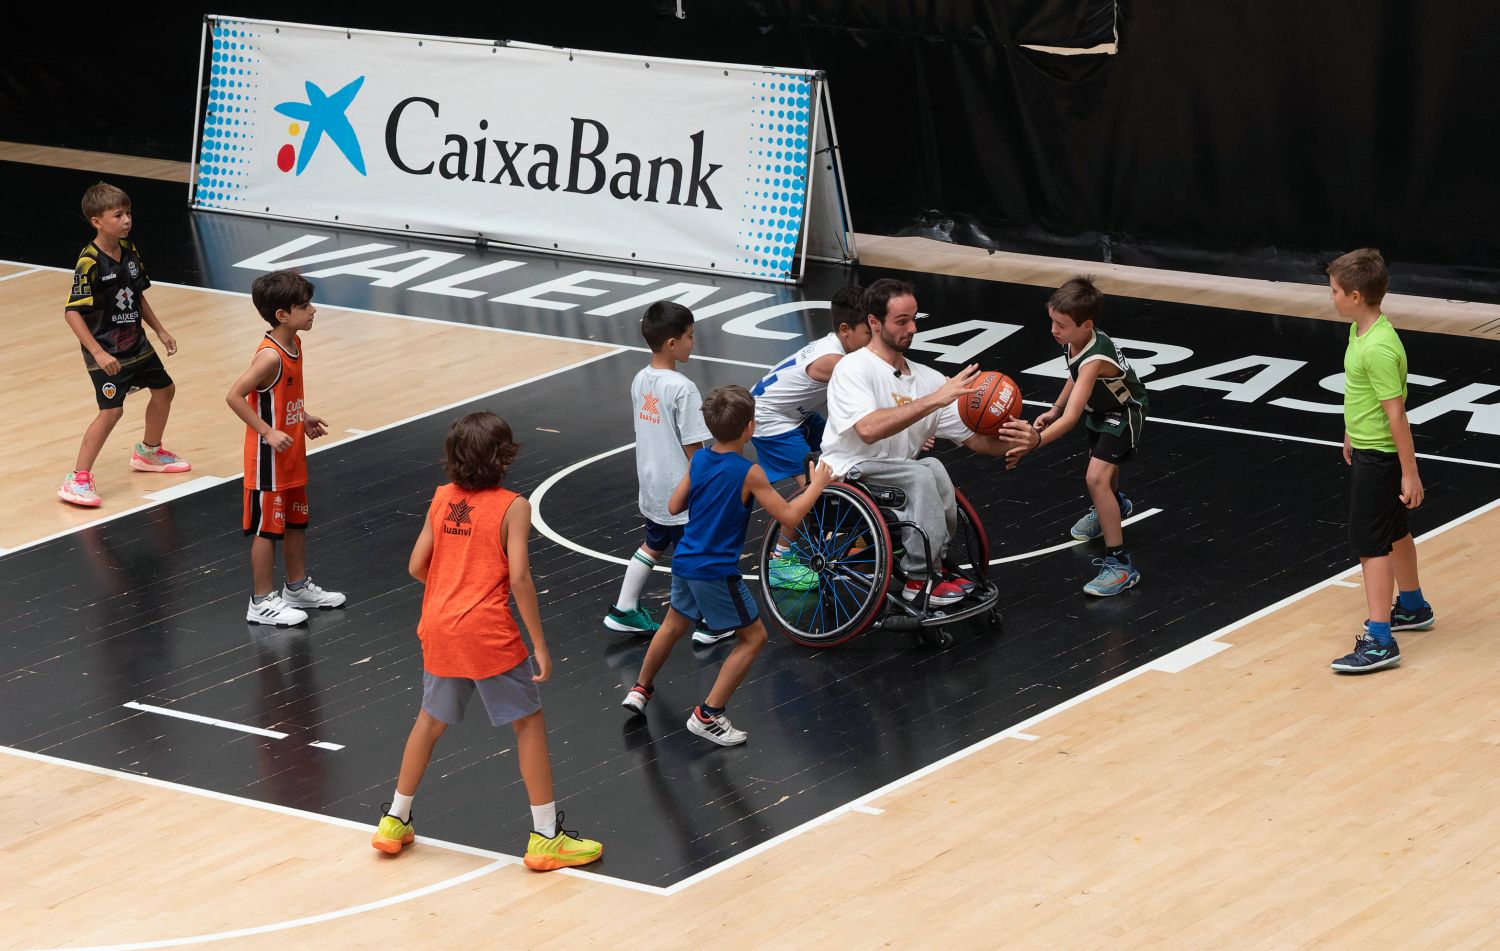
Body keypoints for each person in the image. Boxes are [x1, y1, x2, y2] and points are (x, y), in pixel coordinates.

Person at [371, 412, 602, 869]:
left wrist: (451, 589)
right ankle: (545, 838)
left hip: (438, 626)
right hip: (486, 633)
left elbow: (418, 566)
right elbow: (518, 578)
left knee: (429, 722)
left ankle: (395, 821)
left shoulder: (441, 499)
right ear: (504, 457)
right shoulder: (514, 506)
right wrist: (539, 643)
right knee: (528, 723)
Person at [621, 385, 834, 746]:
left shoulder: (700, 460)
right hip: (715, 570)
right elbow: (789, 513)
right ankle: (709, 714)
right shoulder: (749, 472)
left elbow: (674, 506)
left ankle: (640, 690)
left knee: (673, 625)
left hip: (686, 560)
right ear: (750, 427)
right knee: (754, 638)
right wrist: (817, 485)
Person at [819, 278, 1031, 606]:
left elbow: (976, 440)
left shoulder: (927, 379)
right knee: (919, 473)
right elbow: (868, 430)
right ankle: (919, 579)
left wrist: (1025, 441)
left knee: (932, 466)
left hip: (895, 475)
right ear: (874, 322)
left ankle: (936, 562)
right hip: (849, 473)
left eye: (914, 319)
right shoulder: (853, 369)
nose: (913, 328)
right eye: (901, 321)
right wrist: (934, 400)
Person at [1002, 277, 1149, 597]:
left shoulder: (1095, 357)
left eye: (1062, 325)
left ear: (1087, 325)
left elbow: (1072, 418)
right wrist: (1054, 408)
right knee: (1101, 469)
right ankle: (1116, 505)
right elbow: (1075, 376)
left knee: (1096, 477)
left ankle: (1121, 565)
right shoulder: (1074, 341)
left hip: (1125, 412)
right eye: (1052, 321)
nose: (1054, 330)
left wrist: (1036, 441)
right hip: (1101, 409)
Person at [1325, 248, 1433, 673]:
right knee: (1396, 531)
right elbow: (1363, 395)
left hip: (1382, 460)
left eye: (1333, 291)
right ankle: (1412, 605)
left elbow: (1396, 414)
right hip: (1370, 448)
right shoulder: (1361, 331)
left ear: (1354, 296)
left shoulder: (1379, 348)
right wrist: (1352, 428)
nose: (1329, 297)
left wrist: (1410, 473)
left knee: (1371, 547)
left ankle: (1380, 640)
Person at [226, 271, 346, 626]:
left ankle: (296, 588)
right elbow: (234, 396)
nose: (313, 310)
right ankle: (261, 601)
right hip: (268, 461)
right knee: (268, 530)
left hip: (291, 456)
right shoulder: (270, 357)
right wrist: (266, 432)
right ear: (282, 314)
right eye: (304, 305)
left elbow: (280, 398)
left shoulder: (295, 343)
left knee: (296, 524)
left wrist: (302, 416)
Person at [59, 182, 190, 507]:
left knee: (165, 389)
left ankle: (148, 452)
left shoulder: (129, 251)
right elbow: (72, 313)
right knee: (111, 411)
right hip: (105, 350)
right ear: (97, 222)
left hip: (137, 343)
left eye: (128, 213)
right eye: (118, 215)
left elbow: (137, 295)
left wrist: (160, 330)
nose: (127, 219)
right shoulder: (89, 262)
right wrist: (98, 353)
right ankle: (77, 479)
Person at [601, 301, 713, 636]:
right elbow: (695, 448)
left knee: (654, 542)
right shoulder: (683, 388)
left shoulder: (640, 380)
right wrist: (709, 484)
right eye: (690, 336)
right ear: (672, 343)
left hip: (651, 486)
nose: (694, 342)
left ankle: (624, 607)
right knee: (696, 553)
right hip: (681, 489)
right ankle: (709, 622)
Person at [750, 284, 871, 589]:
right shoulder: (834, 362)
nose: (875, 338)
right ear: (846, 331)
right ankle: (780, 560)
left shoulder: (840, 347)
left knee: (846, 460)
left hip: (795, 414)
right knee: (813, 491)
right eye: (869, 332)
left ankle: (855, 536)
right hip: (770, 419)